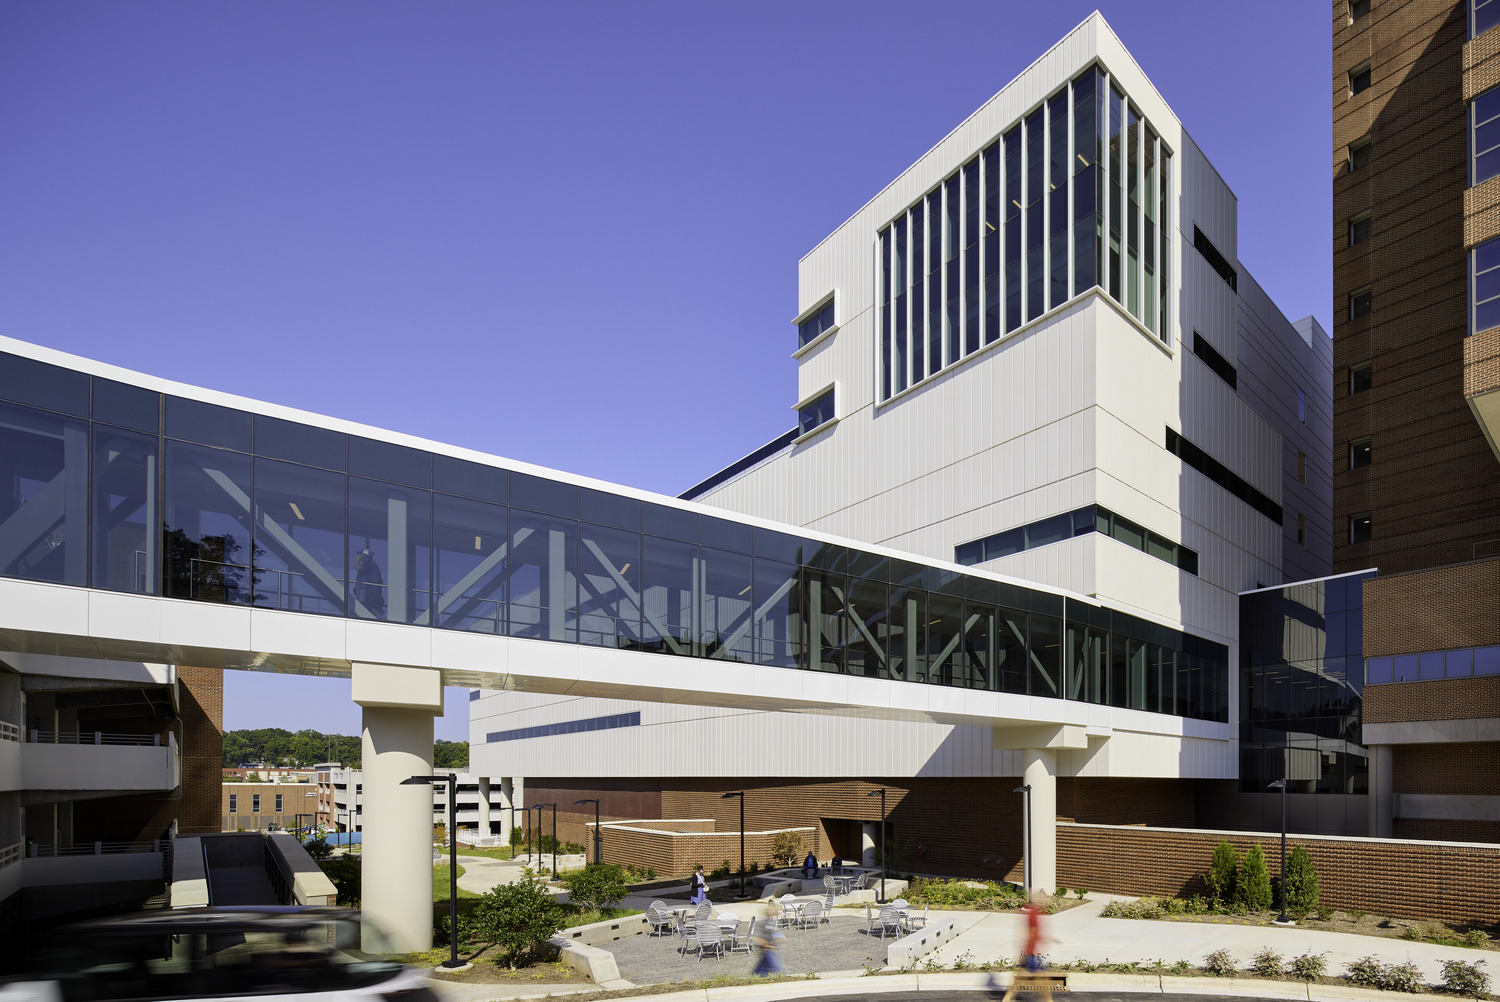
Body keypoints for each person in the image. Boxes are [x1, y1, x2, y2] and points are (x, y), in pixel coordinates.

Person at [751, 898, 784, 976]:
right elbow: (756, 938)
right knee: (778, 970)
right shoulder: (764, 922)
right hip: (768, 950)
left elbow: (774, 933)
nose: (776, 912)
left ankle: (754, 977)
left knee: (761, 970)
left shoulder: (772, 922)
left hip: (771, 950)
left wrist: (780, 938)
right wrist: (767, 945)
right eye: (773, 911)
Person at [354, 548, 386, 619]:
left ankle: (380, 617)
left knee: (362, 605)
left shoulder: (368, 563)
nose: (359, 556)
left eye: (361, 555)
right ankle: (380, 617)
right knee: (369, 606)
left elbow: (358, 568)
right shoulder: (372, 564)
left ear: (365, 556)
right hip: (369, 589)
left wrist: (357, 560)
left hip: (365, 589)